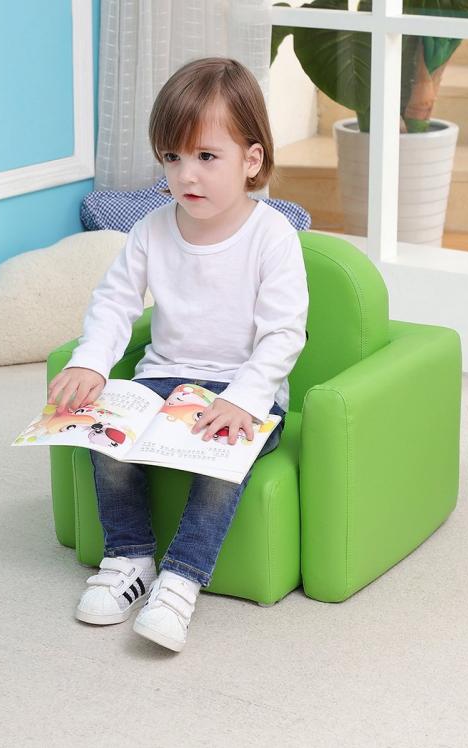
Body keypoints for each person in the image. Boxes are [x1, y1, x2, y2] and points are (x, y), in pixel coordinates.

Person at [47, 57, 309, 653]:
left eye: (206, 156)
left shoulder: (273, 238)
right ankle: (130, 559)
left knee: (219, 463)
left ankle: (183, 579)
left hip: (242, 391)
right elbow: (114, 304)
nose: (186, 175)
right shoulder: (151, 230)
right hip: (162, 377)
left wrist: (246, 399)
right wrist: (91, 360)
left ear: (252, 160)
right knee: (103, 437)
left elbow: (283, 335)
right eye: (172, 157)